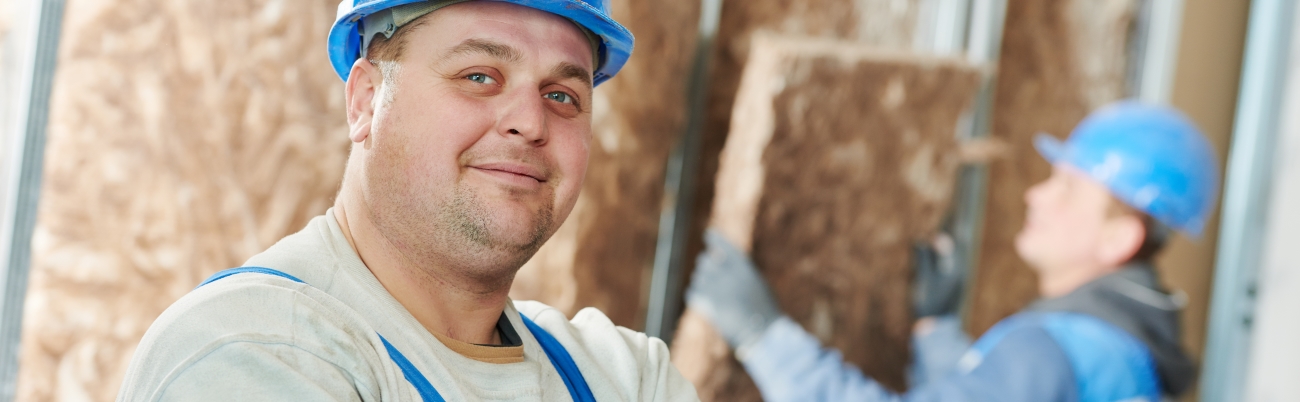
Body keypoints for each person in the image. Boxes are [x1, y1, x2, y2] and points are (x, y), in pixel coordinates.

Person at [118, 1, 699, 400]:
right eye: (479, 76)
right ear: (366, 101)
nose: (530, 121)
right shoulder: (254, 350)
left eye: (561, 95)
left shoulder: (625, 379)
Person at [685, 101, 1217, 402]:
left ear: (1119, 239)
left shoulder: (1053, 352)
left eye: (1070, 189)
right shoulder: (1123, 353)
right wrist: (936, 330)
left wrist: (763, 336)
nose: (1037, 195)